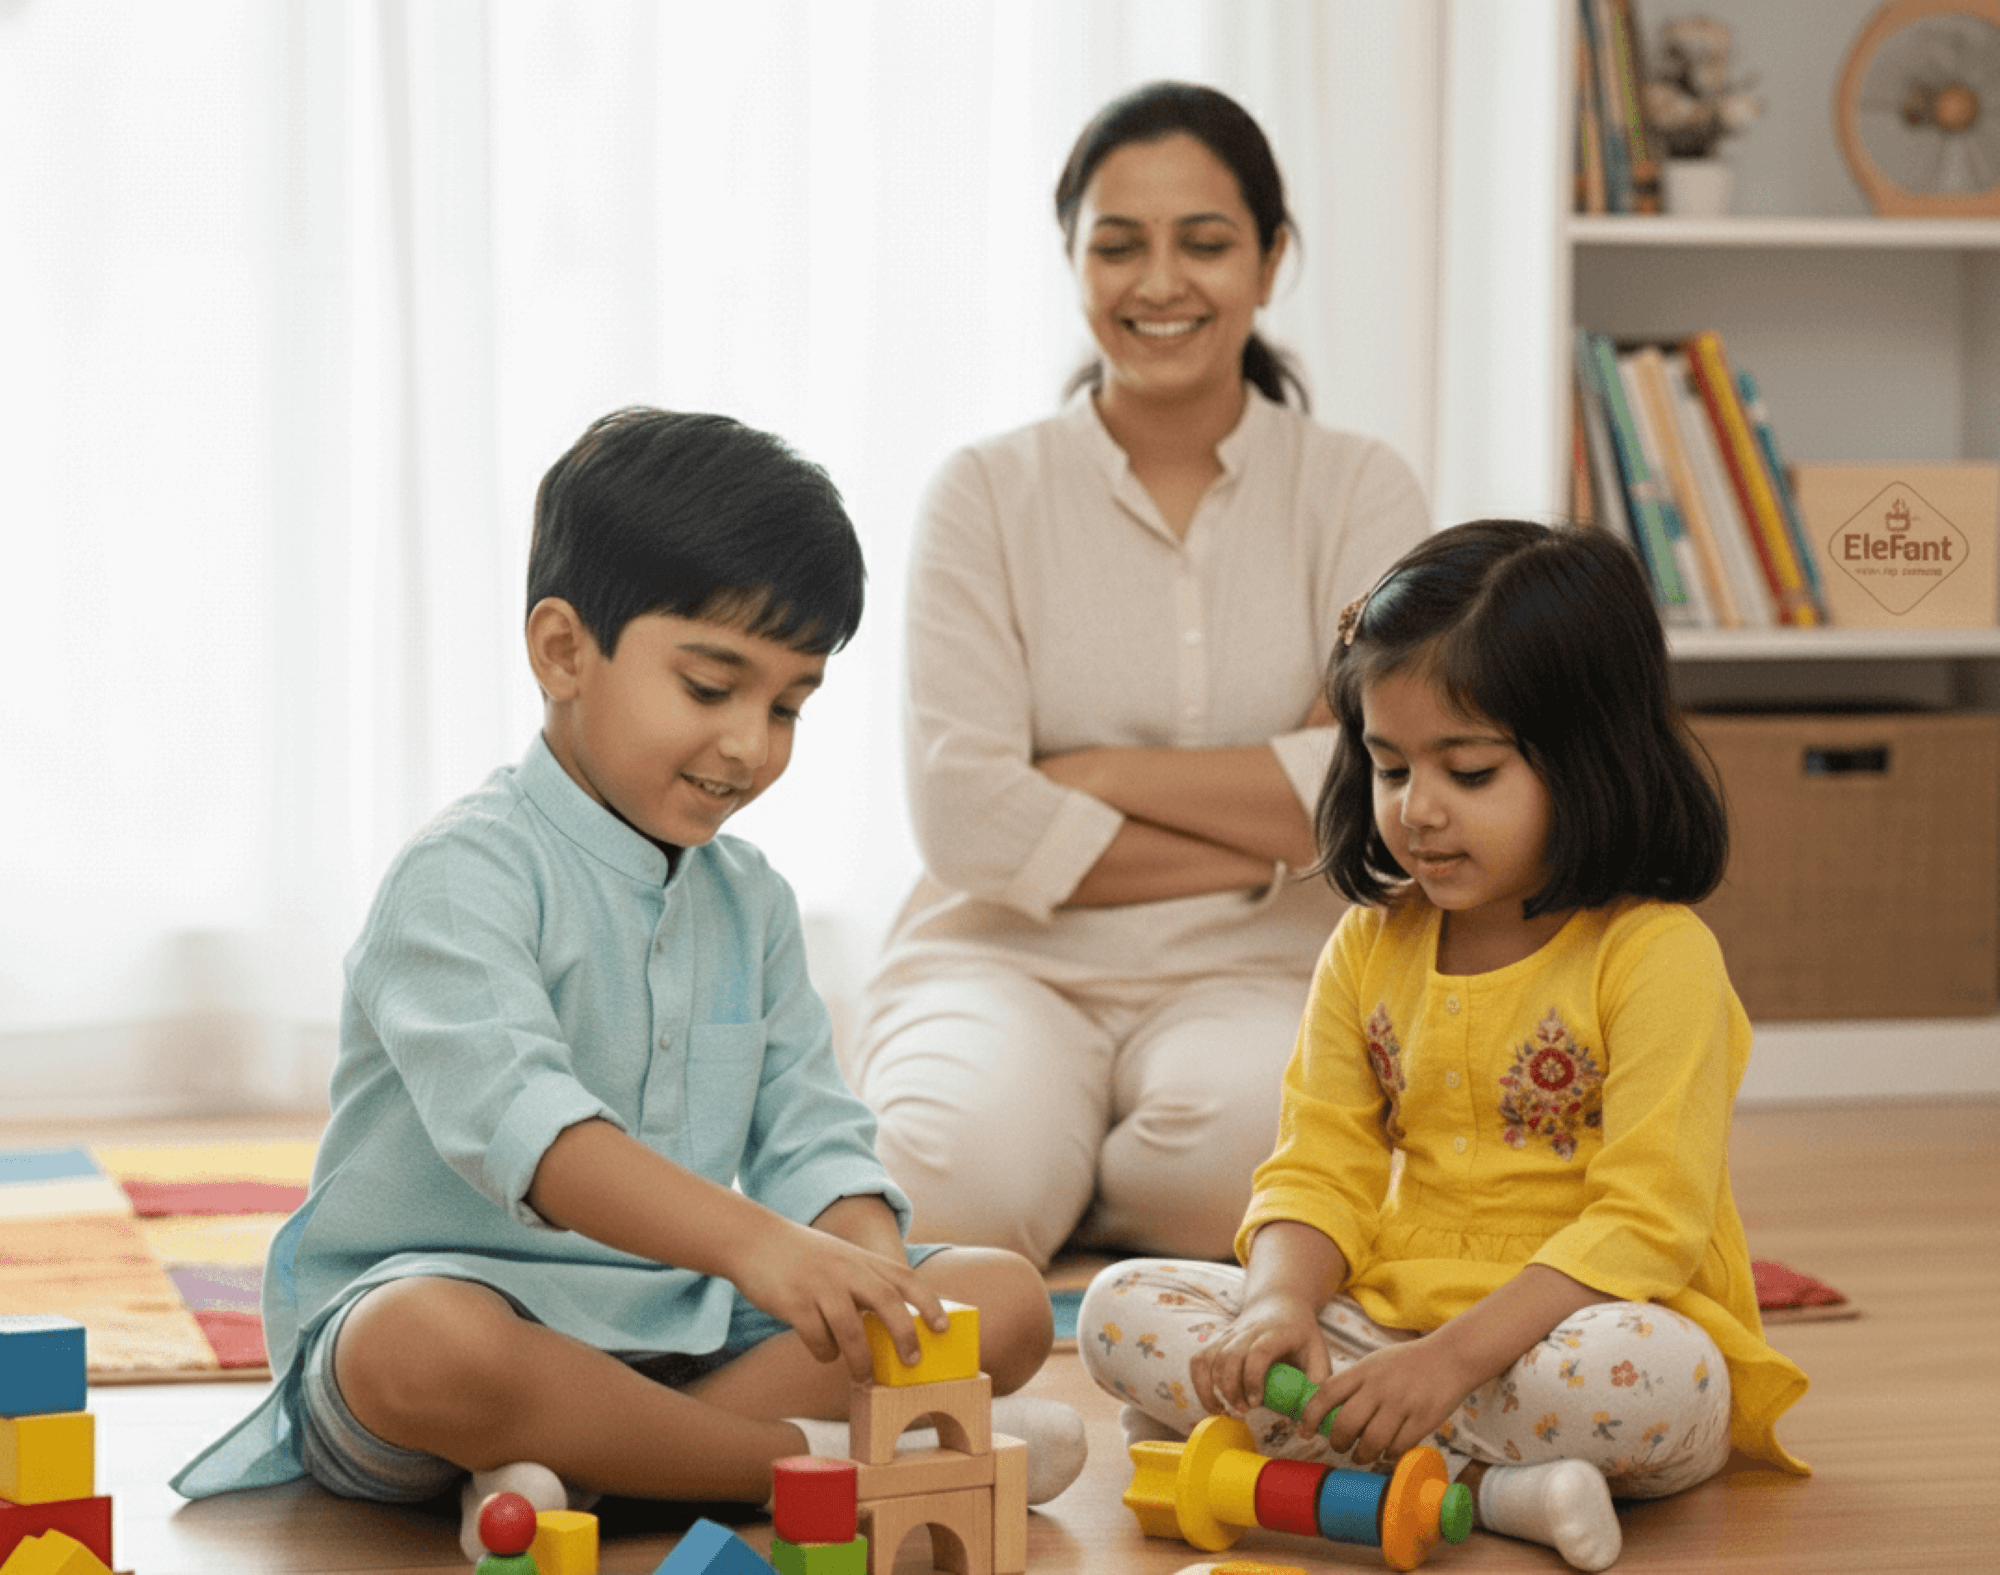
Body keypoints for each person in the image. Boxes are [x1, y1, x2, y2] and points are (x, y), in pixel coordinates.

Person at [171, 409, 1086, 1552]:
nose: (751, 745)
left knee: (994, 1301)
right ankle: (810, 1468)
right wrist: (761, 1247)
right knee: (418, 1347)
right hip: (471, 1321)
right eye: (711, 687)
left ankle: (602, 1469)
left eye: (788, 705)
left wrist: (876, 1283)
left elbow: (813, 1140)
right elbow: (538, 1141)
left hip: (682, 1332)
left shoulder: (749, 899)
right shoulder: (460, 877)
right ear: (562, 651)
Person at [1077, 520, 1810, 1572]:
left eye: (1466, 773)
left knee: (1651, 1378)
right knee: (1118, 1310)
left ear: (1589, 759)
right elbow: (1316, 1163)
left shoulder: (1657, 957)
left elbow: (1647, 1222)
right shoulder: (1369, 945)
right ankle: (1492, 1492)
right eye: (1386, 768)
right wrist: (1280, 1308)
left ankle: (1284, 1453)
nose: (1415, 812)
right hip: (1387, 1320)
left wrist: (1448, 1365)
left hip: (1584, 1338)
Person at [844, 81, 1430, 1270]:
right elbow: (967, 820)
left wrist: (1092, 772)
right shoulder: (983, 493)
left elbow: (1376, 782)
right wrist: (1278, 829)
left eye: (1203, 243)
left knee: (1238, 1177)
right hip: (1000, 956)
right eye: (1117, 246)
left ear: (1268, 263)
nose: (1158, 282)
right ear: (1072, 264)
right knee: (943, 1193)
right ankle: (1047, 1158)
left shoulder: (1360, 489)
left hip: (1266, 968)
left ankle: (1079, 1175)